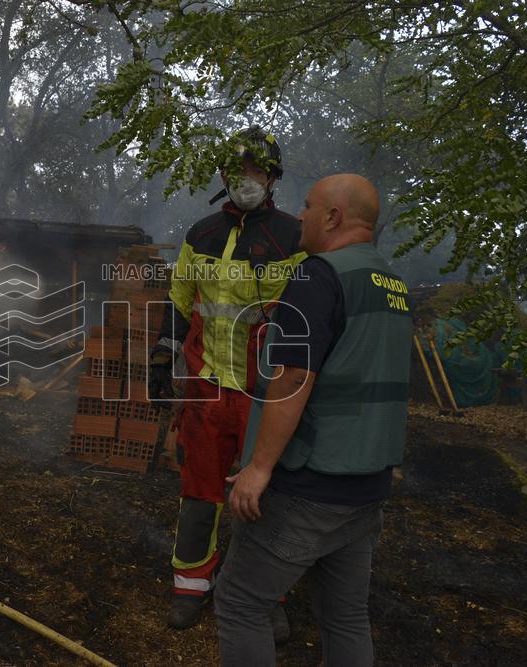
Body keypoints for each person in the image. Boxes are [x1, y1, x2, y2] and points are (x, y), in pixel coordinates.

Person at [213, 173, 413, 666]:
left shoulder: (316, 276)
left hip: (308, 484)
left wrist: (259, 467)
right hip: (366, 487)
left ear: (333, 217)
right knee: (345, 616)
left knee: (240, 603)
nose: (300, 215)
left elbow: (294, 378)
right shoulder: (391, 284)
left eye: (308, 206)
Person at [149, 127, 306, 633]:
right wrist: (161, 358)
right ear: (221, 174)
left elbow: (307, 317)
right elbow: (180, 301)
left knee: (264, 496)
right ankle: (190, 586)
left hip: (265, 393)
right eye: (236, 170)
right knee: (199, 492)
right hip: (206, 388)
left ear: (273, 176)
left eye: (256, 170)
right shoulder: (200, 234)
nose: (245, 179)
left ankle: (265, 597)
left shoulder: (294, 238)